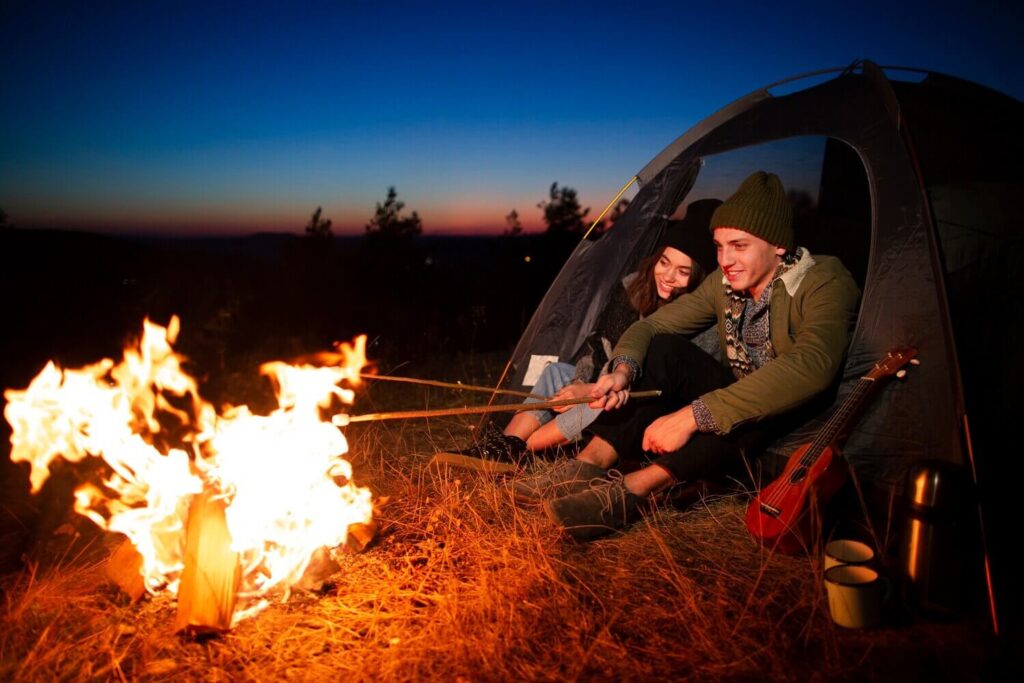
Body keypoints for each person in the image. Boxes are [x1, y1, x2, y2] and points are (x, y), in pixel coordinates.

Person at [514, 171, 860, 541]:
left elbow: (812, 365)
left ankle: (634, 490)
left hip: (791, 413)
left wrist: (694, 416)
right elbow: (650, 328)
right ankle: (589, 463)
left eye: (738, 246)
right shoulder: (724, 283)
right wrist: (622, 372)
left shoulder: (823, 279)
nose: (725, 260)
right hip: (734, 394)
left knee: (741, 415)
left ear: (776, 244)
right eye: (719, 246)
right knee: (665, 351)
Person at [434, 201, 720, 472]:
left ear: (701, 278)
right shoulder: (634, 288)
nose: (668, 276)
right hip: (608, 380)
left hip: (645, 400)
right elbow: (598, 344)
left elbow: (659, 381)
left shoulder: (701, 319)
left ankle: (516, 451)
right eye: (664, 263)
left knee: (605, 404)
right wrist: (582, 382)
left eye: (683, 272)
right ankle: (502, 446)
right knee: (557, 372)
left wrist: (588, 391)